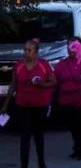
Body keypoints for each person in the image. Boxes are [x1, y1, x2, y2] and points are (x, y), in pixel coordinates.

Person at [1, 39, 56, 168]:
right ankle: (23, 165)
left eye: (29, 50)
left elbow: (53, 82)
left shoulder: (44, 64)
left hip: (40, 106)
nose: (26, 52)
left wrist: (42, 84)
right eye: (25, 49)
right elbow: (13, 85)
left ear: (36, 52)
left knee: (38, 136)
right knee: (24, 136)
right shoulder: (18, 66)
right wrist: (5, 105)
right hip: (23, 105)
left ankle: (41, 162)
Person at [55, 40, 81, 160]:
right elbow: (56, 80)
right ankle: (77, 148)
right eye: (69, 47)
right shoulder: (62, 64)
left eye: (74, 47)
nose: (71, 49)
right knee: (73, 127)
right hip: (66, 100)